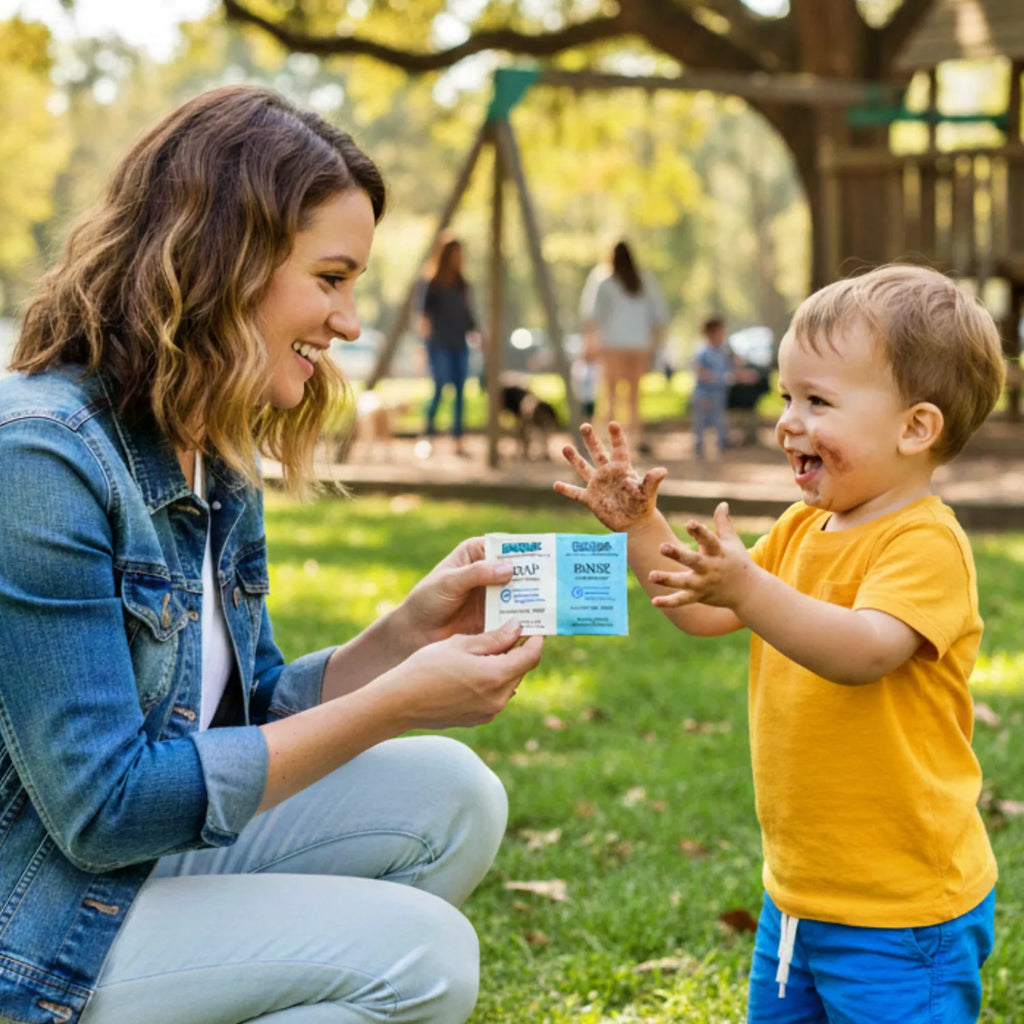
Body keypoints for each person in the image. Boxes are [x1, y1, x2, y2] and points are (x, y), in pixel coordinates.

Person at [0, 84, 544, 1024]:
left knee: (454, 792)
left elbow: (243, 715)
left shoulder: (209, 447)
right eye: (331, 279)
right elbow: (103, 810)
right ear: (225, 262)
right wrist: (393, 704)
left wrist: (401, 639)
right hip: (36, 915)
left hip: (133, 866)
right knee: (424, 957)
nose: (350, 322)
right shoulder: (42, 460)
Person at [555, 263, 1004, 1023]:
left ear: (915, 427)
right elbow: (702, 610)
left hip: (902, 912)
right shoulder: (800, 528)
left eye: (818, 400)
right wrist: (640, 525)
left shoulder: (925, 544)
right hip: (797, 896)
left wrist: (751, 589)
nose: (789, 421)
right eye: (786, 397)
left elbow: (863, 651)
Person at [579, 239, 668, 454]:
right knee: (634, 397)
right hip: (639, 345)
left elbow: (592, 315)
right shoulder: (644, 280)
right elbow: (659, 316)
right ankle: (636, 440)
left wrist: (589, 344)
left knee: (609, 394)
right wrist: (655, 346)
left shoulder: (603, 279)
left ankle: (604, 443)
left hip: (612, 344)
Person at [417, 237, 482, 457]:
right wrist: (424, 349)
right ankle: (427, 434)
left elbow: (467, 312)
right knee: (440, 389)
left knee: (460, 392)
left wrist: (476, 332)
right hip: (439, 345)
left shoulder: (462, 282)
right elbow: (423, 318)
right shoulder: (432, 282)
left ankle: (458, 438)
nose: (459, 259)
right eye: (456, 255)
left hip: (459, 344)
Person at [689, 314, 733, 459]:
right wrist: (717, 377)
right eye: (720, 332)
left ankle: (722, 445)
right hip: (704, 392)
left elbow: (731, 366)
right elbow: (699, 370)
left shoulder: (723, 350)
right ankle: (699, 448)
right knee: (701, 421)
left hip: (719, 392)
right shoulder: (703, 351)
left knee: (719, 419)